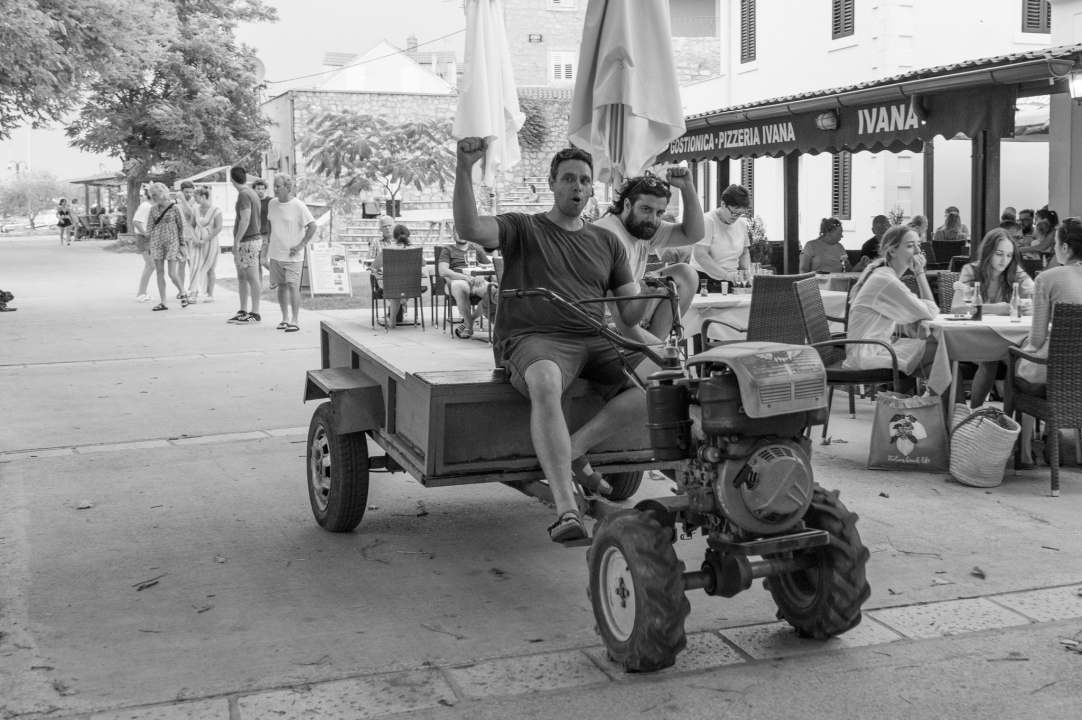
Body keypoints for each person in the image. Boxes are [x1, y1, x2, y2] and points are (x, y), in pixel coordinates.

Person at [453, 138, 646, 543]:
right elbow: (470, 228)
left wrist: (651, 288)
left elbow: (630, 316)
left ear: (593, 190)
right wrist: (464, 167)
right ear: (552, 184)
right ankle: (566, 510)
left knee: (653, 386)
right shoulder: (524, 227)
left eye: (585, 181)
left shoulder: (607, 241)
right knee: (544, 380)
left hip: (593, 338)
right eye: (568, 179)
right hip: (533, 338)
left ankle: (571, 449)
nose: (577, 187)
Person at [592, 169, 703, 349]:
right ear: (627, 205)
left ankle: (654, 348)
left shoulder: (642, 228)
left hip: (635, 309)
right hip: (606, 322)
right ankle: (650, 353)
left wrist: (687, 187)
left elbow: (693, 234)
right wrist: (655, 353)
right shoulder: (608, 236)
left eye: (659, 213)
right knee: (670, 360)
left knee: (686, 274)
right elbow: (618, 312)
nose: (652, 219)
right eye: (646, 209)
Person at [1015, 217, 1082, 462]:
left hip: (1055, 378)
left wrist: (1021, 348)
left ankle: (1024, 454)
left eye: (1055, 244)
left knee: (1019, 362)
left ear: (1065, 248)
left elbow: (1037, 338)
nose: (1054, 249)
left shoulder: (1048, 278)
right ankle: (1057, 442)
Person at [950, 228, 1035, 407]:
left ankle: (1007, 422)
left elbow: (1036, 295)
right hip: (975, 337)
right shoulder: (971, 270)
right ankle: (974, 414)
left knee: (1019, 364)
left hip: (1006, 338)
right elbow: (956, 307)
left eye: (1010, 255)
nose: (1005, 260)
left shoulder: (1015, 272)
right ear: (989, 251)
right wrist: (994, 309)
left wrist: (1029, 306)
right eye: (999, 254)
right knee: (990, 362)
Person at [844, 225, 939, 385]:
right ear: (892, 251)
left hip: (875, 349)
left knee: (942, 367)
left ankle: (951, 409)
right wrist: (919, 273)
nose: (917, 251)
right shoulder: (885, 281)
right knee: (941, 348)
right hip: (867, 355)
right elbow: (931, 311)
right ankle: (953, 409)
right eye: (910, 246)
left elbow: (919, 315)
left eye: (918, 244)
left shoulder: (884, 275)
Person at [266, 175, 316, 332]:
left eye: (278, 186)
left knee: (293, 286)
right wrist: (268, 244)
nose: (275, 189)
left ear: (288, 188)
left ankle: (295, 320)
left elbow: (313, 226)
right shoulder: (272, 203)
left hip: (293, 256)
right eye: (274, 186)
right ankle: (285, 319)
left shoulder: (298, 206)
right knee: (281, 287)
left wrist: (301, 245)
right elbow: (269, 224)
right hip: (276, 254)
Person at [690, 184, 752, 291]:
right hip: (705, 280)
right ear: (723, 204)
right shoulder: (707, 221)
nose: (736, 217)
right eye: (733, 212)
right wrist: (726, 275)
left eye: (740, 214)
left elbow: (744, 252)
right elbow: (700, 254)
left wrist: (747, 274)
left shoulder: (741, 224)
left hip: (731, 279)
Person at [438, 228, 493, 339]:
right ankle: (469, 325)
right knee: (461, 289)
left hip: (476, 280)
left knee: (492, 293)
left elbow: (491, 266)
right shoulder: (448, 250)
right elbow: (443, 271)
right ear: (453, 234)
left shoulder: (477, 249)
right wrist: (464, 277)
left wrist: (481, 274)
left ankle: (469, 322)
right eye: (459, 232)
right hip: (457, 280)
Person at [228, 166, 263, 324]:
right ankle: (243, 310)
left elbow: (246, 219)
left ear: (232, 180)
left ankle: (255, 313)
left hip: (248, 240)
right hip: (248, 239)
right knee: (242, 277)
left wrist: (236, 241)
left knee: (252, 277)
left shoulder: (244, 194)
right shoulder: (251, 192)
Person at [370, 223, 422, 328]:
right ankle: (403, 300)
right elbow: (424, 263)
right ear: (408, 235)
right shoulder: (414, 249)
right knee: (399, 291)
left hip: (392, 286)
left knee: (395, 290)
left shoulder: (387, 250)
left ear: (393, 236)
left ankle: (392, 321)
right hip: (411, 286)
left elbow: (374, 266)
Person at [145, 182, 187, 311]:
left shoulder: (175, 208)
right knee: (159, 272)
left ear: (162, 194)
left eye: (155, 195)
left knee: (172, 273)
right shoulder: (153, 209)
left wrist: (182, 244)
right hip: (157, 243)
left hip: (172, 243)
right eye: (151, 195)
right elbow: (150, 228)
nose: (153, 198)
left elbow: (182, 226)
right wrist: (149, 242)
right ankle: (163, 302)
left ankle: (183, 292)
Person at [187, 186, 222, 303]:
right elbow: (191, 225)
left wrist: (205, 239)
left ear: (203, 196)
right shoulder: (195, 209)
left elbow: (218, 228)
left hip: (210, 241)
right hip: (196, 241)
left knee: (210, 268)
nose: (194, 199)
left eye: (196, 197)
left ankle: (210, 294)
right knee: (194, 266)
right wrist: (193, 237)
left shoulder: (216, 210)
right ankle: (193, 293)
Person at [132, 189, 155, 302]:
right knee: (151, 266)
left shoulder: (151, 206)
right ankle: (141, 293)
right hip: (143, 238)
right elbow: (136, 221)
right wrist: (146, 234)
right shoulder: (145, 206)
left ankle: (142, 292)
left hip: (148, 239)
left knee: (149, 266)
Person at [253, 178, 272, 284]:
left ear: (265, 190)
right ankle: (258, 287)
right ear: (254, 189)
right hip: (255, 236)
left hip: (266, 235)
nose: (260, 190)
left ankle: (279, 276)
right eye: (258, 188)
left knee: (263, 261)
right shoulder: (252, 202)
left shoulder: (270, 201)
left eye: (262, 188)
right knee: (256, 264)